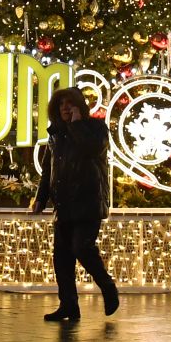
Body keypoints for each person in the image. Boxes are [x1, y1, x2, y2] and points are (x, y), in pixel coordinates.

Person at [29, 87, 120, 322]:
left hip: (88, 202)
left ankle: (107, 286)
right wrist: (41, 197)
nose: (65, 108)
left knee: (82, 248)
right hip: (64, 205)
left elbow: (91, 149)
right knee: (61, 258)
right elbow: (49, 168)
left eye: (70, 104)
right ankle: (68, 304)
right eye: (61, 105)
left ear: (80, 106)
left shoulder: (95, 129)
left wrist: (77, 124)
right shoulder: (56, 134)